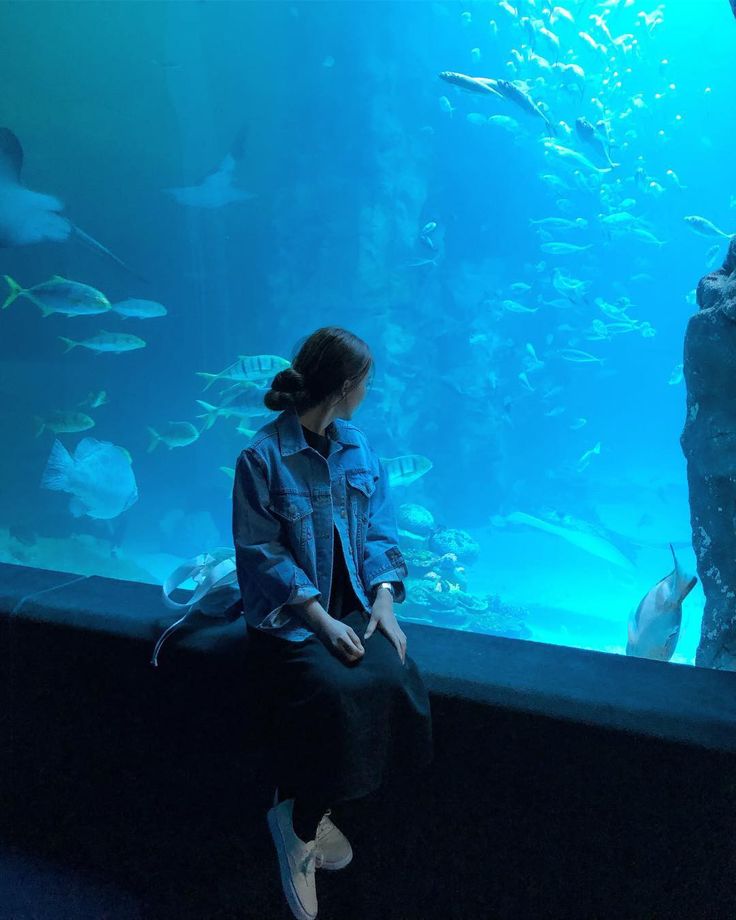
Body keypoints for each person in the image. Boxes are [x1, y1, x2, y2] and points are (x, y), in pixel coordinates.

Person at [232, 326, 433, 920]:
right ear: (346, 387)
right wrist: (319, 621)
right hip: (291, 619)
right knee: (335, 693)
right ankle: (295, 825)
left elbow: (378, 530)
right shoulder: (261, 457)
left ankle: (313, 811)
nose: (368, 392)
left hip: (351, 608)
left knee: (397, 676)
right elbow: (260, 553)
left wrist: (385, 600)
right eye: (365, 383)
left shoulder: (359, 448)